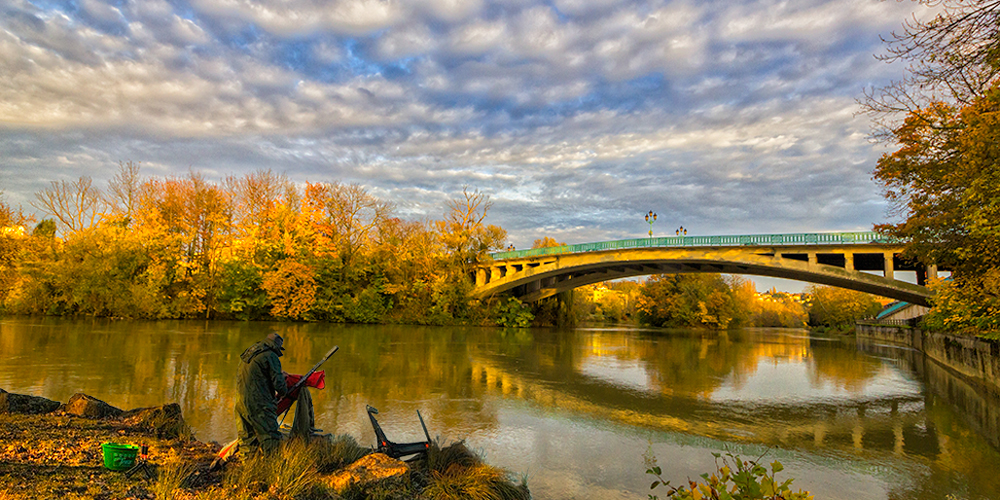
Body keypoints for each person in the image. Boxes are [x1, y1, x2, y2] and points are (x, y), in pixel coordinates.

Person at [235, 332, 289, 454]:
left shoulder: (250, 352)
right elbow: (279, 385)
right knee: (270, 437)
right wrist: (283, 389)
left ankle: (248, 467)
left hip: (240, 402)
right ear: (276, 346)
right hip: (259, 403)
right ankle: (273, 467)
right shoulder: (271, 356)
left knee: (247, 438)